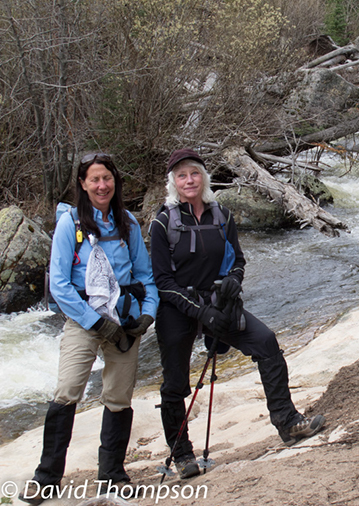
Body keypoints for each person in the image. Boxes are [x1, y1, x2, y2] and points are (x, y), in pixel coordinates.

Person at [150, 148, 325, 479]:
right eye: (182, 175)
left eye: (195, 173)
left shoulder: (223, 216)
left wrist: (233, 281)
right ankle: (183, 455)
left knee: (266, 343)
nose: (189, 180)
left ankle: (288, 423)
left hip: (219, 303)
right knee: (174, 382)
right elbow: (162, 282)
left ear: (204, 177)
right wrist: (201, 314)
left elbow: (238, 260)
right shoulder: (163, 222)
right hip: (178, 308)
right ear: (173, 182)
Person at [20, 154, 159, 505]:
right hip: (84, 320)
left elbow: (146, 276)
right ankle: (46, 479)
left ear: (115, 182)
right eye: (94, 180)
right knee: (67, 391)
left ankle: (112, 476)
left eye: (107, 179)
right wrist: (97, 323)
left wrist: (147, 315)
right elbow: (62, 286)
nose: (102, 186)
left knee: (118, 397)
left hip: (125, 321)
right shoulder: (70, 224)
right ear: (83, 184)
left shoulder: (126, 222)